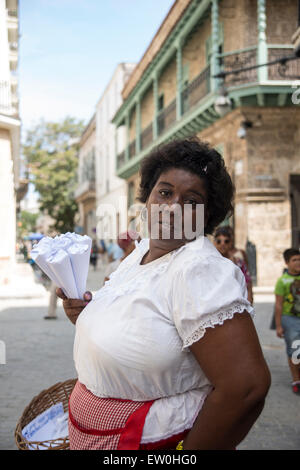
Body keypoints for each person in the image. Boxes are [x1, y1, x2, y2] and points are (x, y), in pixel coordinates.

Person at [57, 138, 270, 450]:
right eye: (166, 192)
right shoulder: (139, 253)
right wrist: (86, 315)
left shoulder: (199, 270)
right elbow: (143, 332)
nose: (172, 208)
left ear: (206, 215)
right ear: (148, 198)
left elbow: (246, 388)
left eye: (191, 201)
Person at [274, 248, 300, 394]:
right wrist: (278, 325)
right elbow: (278, 304)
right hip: (290, 319)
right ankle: (296, 379)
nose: (298, 262)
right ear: (287, 263)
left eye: (299, 259)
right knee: (295, 350)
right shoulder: (282, 281)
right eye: (294, 260)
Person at [214, 226, 253, 304]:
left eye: (226, 241)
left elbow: (247, 281)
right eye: (219, 241)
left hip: (237, 302)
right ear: (214, 243)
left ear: (230, 242)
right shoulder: (210, 262)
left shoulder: (238, 262)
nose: (222, 244)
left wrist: (249, 299)